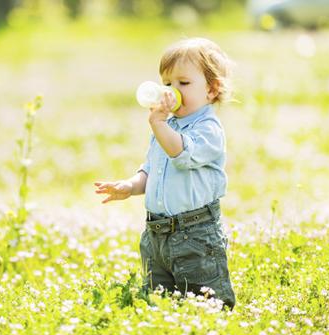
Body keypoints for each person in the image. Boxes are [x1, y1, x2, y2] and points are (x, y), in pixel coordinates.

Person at [94, 37, 236, 310]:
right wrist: (131, 186)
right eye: (167, 84)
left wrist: (157, 123)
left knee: (208, 302)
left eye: (183, 83)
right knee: (158, 300)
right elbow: (153, 169)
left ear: (212, 89)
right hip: (156, 233)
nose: (172, 91)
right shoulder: (166, 126)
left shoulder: (208, 129)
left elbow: (180, 154)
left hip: (195, 234)